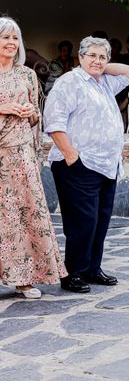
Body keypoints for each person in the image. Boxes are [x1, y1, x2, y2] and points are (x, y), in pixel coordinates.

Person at [44, 36, 129, 293]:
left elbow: (128, 71)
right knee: (82, 221)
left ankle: (92, 268)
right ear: (79, 57)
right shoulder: (69, 83)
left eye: (102, 56)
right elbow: (54, 123)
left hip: (106, 164)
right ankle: (73, 272)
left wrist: (101, 67)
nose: (97, 60)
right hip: (79, 164)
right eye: (91, 55)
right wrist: (72, 157)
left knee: (100, 220)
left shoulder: (104, 81)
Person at [0, 17, 67, 299]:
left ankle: (24, 279)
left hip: (22, 156)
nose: (11, 43)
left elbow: (37, 119)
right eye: (5, 37)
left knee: (24, 215)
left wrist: (30, 113)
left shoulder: (27, 74)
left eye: (15, 38)